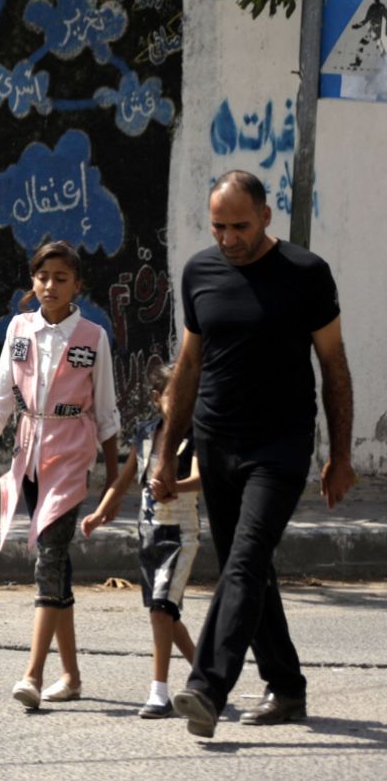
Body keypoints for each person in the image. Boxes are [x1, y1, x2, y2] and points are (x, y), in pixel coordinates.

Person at [156, 170, 357, 738]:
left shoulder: (306, 275)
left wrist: (340, 456)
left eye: (239, 226)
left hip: (280, 446)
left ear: (266, 216)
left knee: (244, 561)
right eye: (218, 226)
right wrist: (166, 451)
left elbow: (334, 367)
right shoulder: (199, 272)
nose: (228, 238)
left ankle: (206, 687)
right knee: (252, 568)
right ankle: (287, 686)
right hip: (216, 442)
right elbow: (188, 367)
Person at [0, 240, 121, 710]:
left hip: (71, 458)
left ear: (78, 285)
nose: (50, 286)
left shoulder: (93, 337)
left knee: (48, 561)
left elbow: (106, 410)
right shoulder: (20, 329)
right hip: (29, 455)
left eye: (60, 278)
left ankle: (33, 674)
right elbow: (1, 397)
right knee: (58, 565)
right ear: (32, 281)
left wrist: (114, 479)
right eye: (42, 277)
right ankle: (71, 676)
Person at [80, 363, 201, 718]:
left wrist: (173, 487)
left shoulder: (197, 434)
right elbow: (124, 479)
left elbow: (200, 477)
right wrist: (101, 511)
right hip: (148, 532)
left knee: (161, 608)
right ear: (156, 398)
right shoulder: (146, 433)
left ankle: (158, 693)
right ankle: (206, 676)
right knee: (164, 612)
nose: (181, 404)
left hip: (181, 534)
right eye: (173, 396)